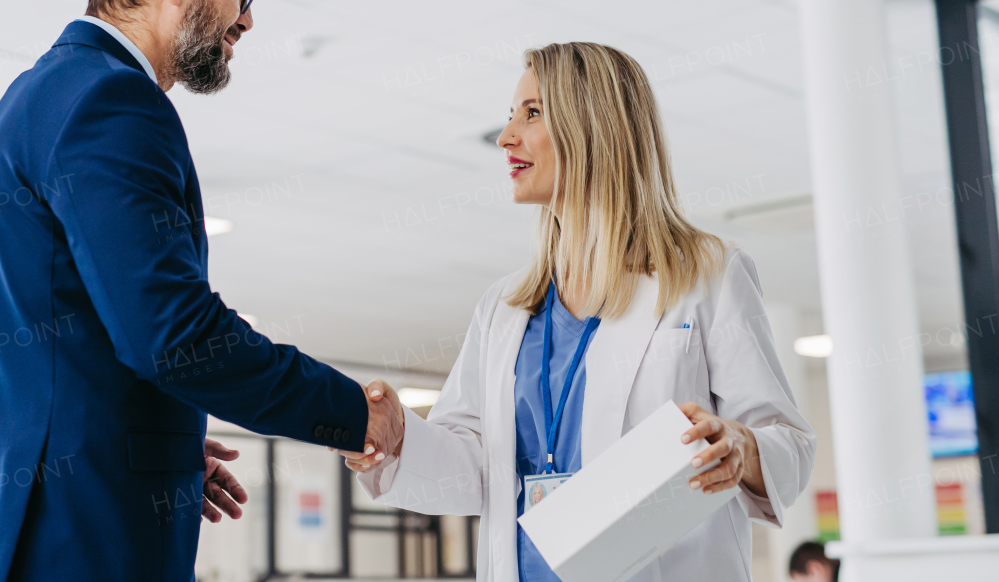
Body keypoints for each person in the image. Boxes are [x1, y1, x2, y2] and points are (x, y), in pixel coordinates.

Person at [0, 0, 401, 582]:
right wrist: (350, 412)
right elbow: (175, 336)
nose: (247, 16)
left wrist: (141, 434)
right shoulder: (113, 105)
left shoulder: (29, 100)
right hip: (73, 548)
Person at [341, 42, 817, 582]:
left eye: (533, 113)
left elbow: (790, 444)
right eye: (510, 116)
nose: (506, 137)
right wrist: (400, 437)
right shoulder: (503, 308)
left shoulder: (706, 274)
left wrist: (741, 445)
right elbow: (476, 470)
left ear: (595, 126)